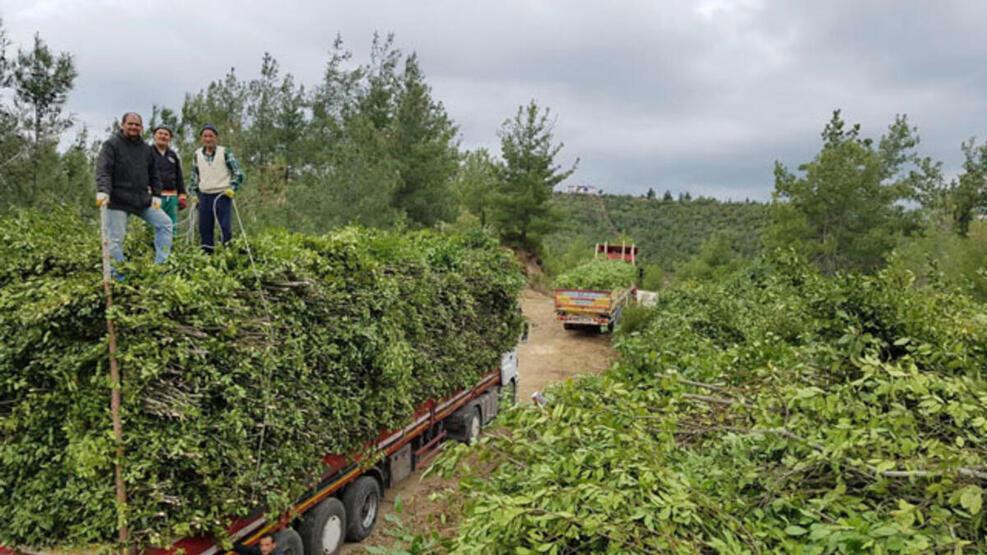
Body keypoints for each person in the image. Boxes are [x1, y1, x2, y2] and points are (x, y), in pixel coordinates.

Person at [95, 112, 172, 265]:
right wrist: (103, 190)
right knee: (115, 240)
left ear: (141, 128)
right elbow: (104, 170)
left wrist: (156, 194)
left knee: (165, 224)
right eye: (130, 124)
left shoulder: (146, 149)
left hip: (142, 200)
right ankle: (119, 275)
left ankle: (161, 266)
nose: (133, 127)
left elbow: (154, 174)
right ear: (122, 125)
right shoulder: (111, 145)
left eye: (137, 125)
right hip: (118, 200)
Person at [190, 123, 244, 254]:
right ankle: (207, 257)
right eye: (205, 136)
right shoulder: (197, 155)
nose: (208, 139)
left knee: (225, 227)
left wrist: (233, 187)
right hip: (204, 196)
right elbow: (194, 177)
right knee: (204, 228)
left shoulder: (225, 153)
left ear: (216, 138)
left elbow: (238, 173)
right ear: (201, 138)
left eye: (211, 136)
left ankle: (227, 255)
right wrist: (193, 194)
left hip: (222, 195)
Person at [151, 124, 187, 230]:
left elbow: (179, 176)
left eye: (166, 134)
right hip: (154, 196)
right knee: (154, 225)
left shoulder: (173, 155)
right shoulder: (147, 152)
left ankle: (172, 246)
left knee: (172, 224)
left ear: (170, 138)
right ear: (154, 136)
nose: (163, 136)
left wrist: (182, 195)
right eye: (160, 133)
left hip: (171, 197)